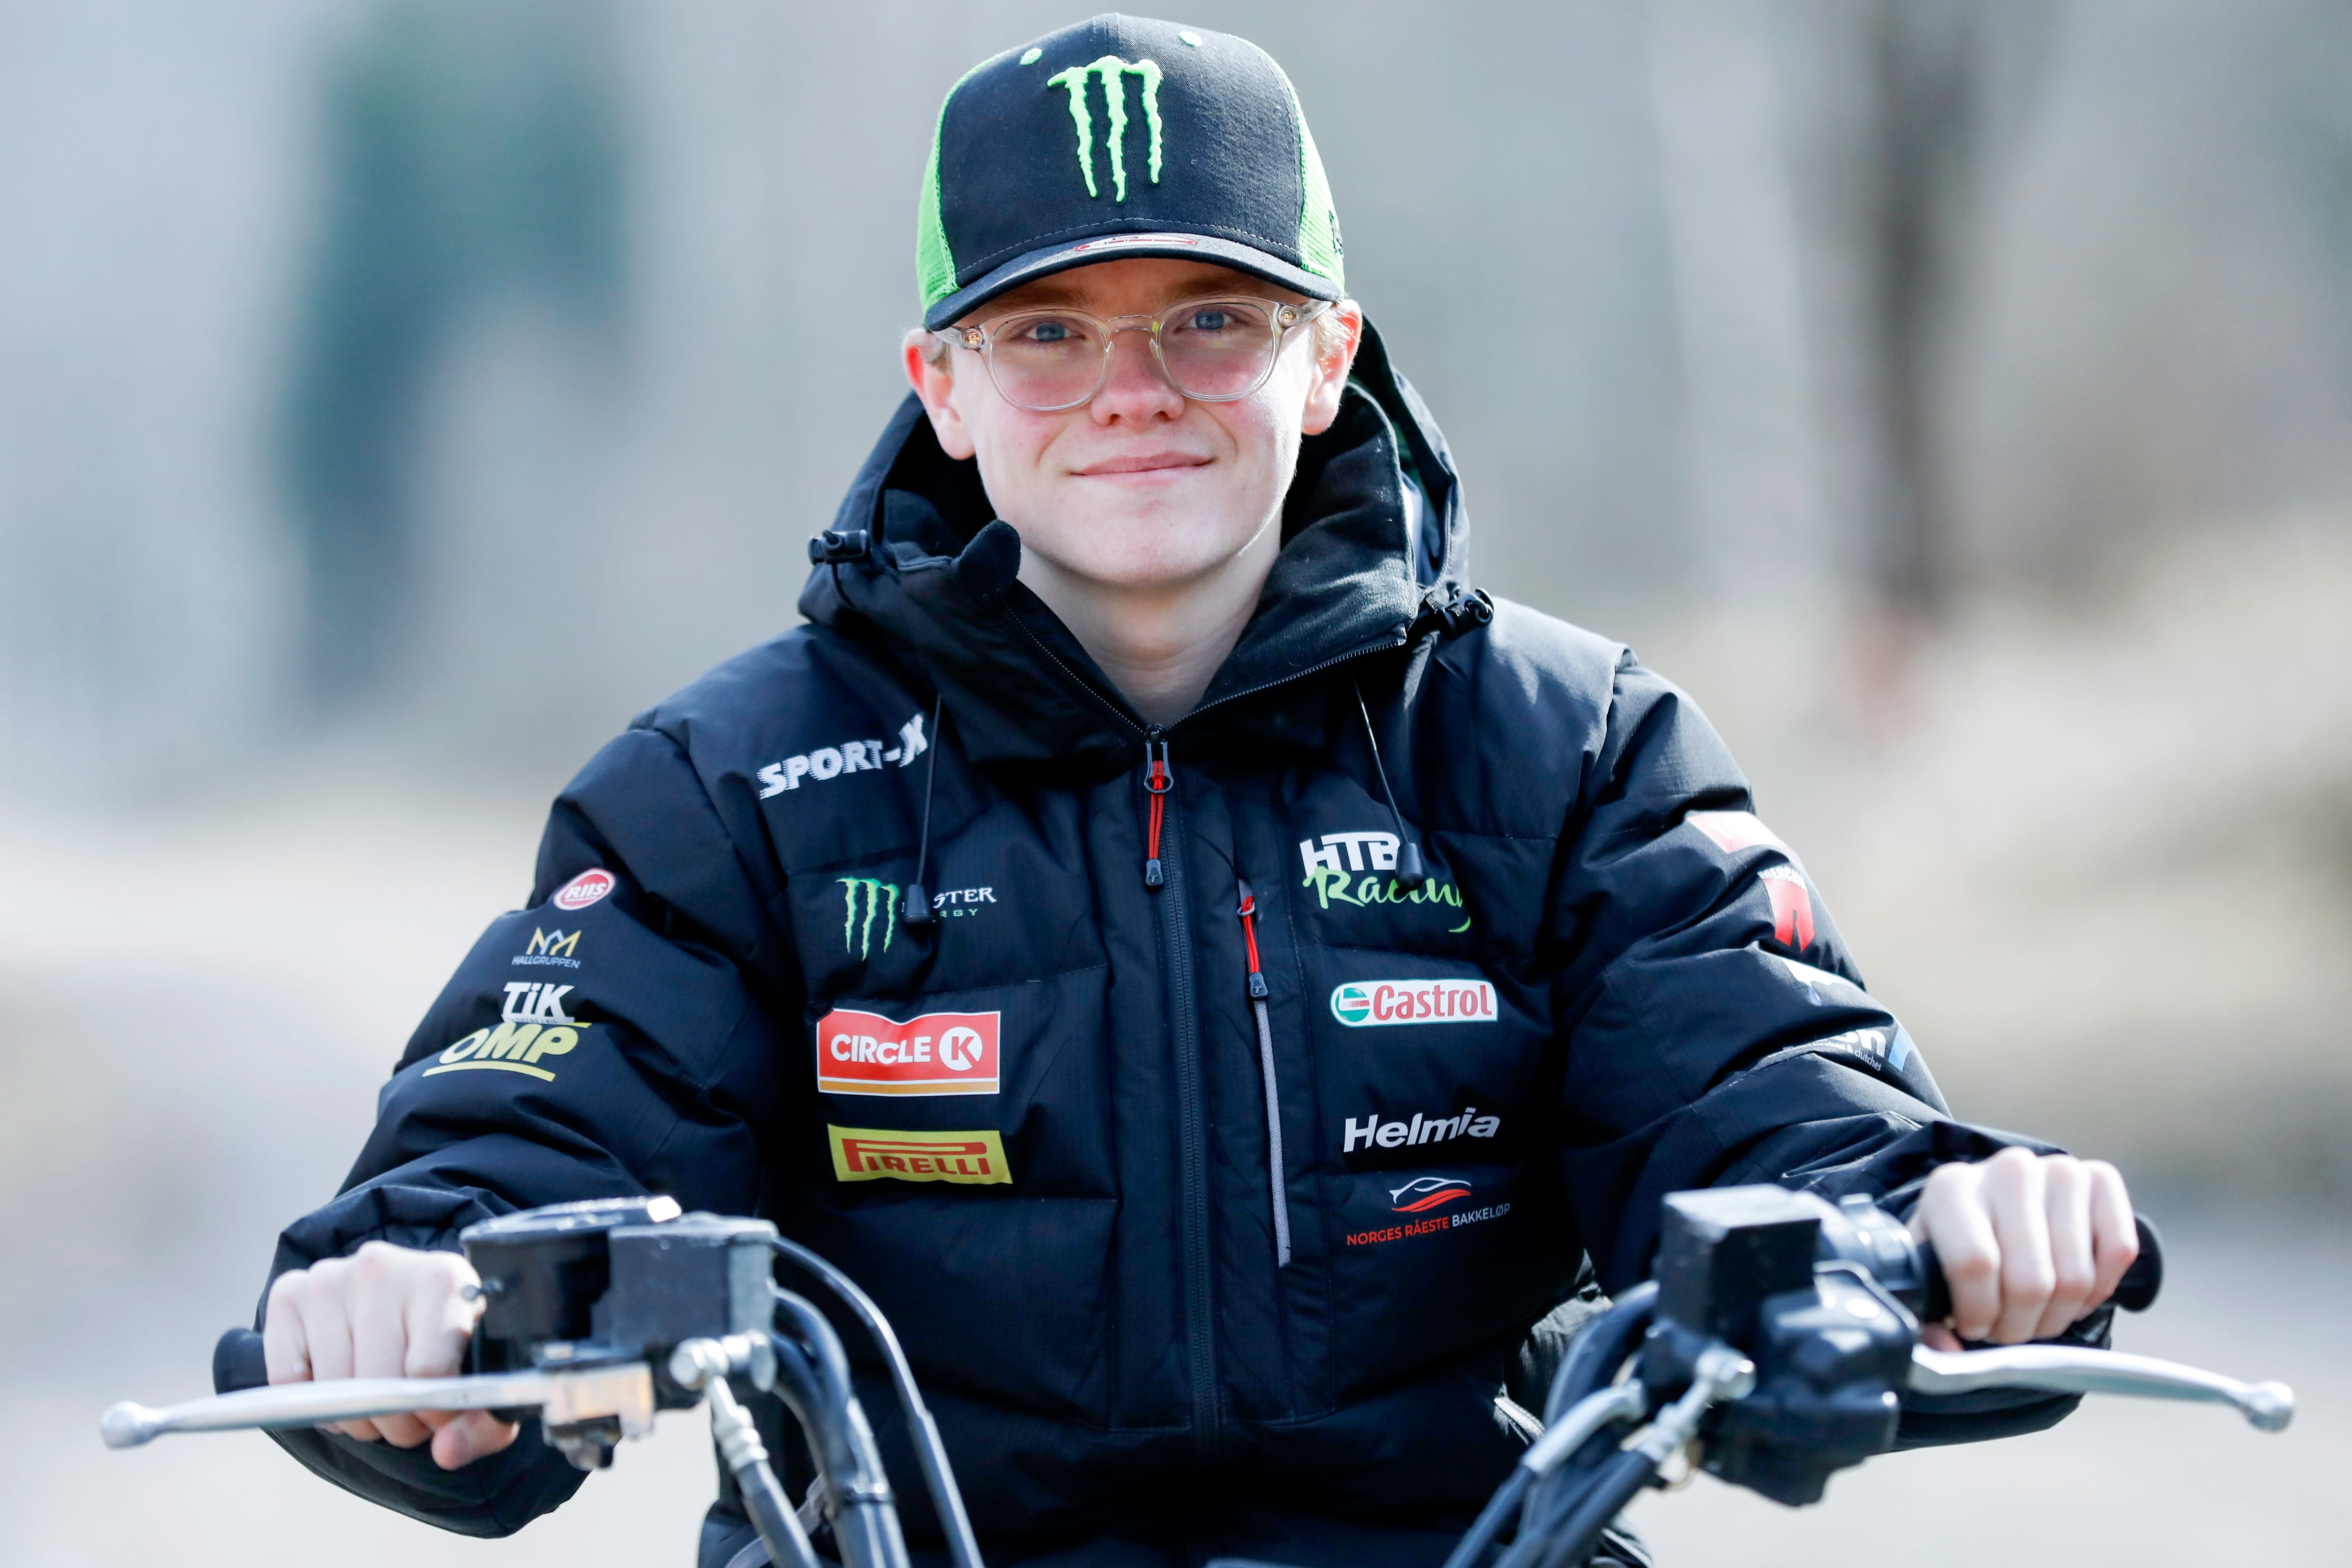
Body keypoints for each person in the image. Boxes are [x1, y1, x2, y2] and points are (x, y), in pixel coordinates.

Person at [249, 15, 2139, 1567]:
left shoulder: (1570, 749)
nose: (1131, 388)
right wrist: (413, 1294)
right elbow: (527, 1141)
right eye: (1047, 331)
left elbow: (1774, 1103)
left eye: (1211, 318)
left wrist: (1944, 1221)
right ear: (944, 385)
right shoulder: (726, 793)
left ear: (1326, 358)